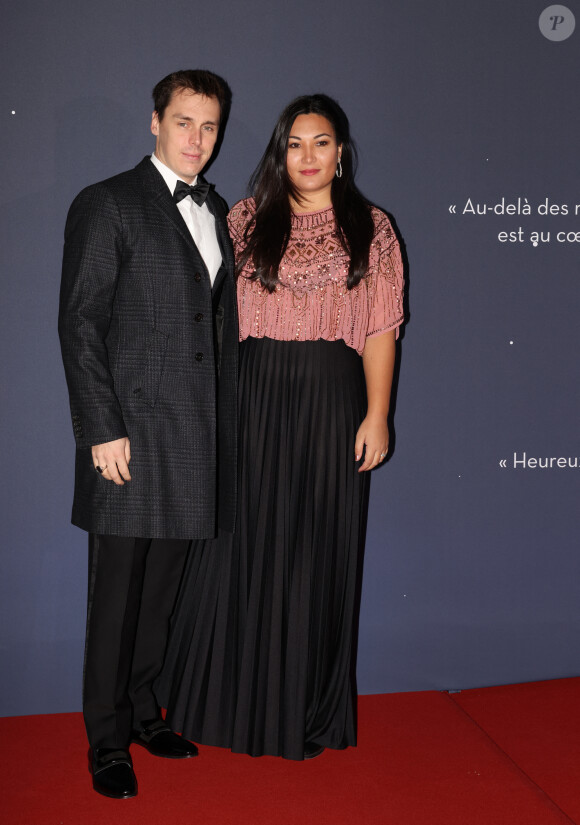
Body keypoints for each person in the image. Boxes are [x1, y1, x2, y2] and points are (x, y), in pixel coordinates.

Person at [157, 93, 404, 760]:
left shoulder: (371, 228)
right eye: (294, 143)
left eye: (320, 142)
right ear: (278, 151)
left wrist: (377, 414)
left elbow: (382, 329)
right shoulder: (242, 220)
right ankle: (224, 704)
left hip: (332, 401)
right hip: (252, 395)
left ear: (341, 152)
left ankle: (303, 708)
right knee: (239, 547)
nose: (308, 156)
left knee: (314, 551)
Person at [58, 69, 238, 798]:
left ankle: (141, 711)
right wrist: (101, 428)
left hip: (193, 439)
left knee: (161, 593)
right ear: (155, 122)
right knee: (115, 598)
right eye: (185, 122)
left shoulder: (219, 208)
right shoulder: (107, 203)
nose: (198, 139)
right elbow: (79, 322)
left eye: (211, 126)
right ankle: (105, 741)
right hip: (128, 437)